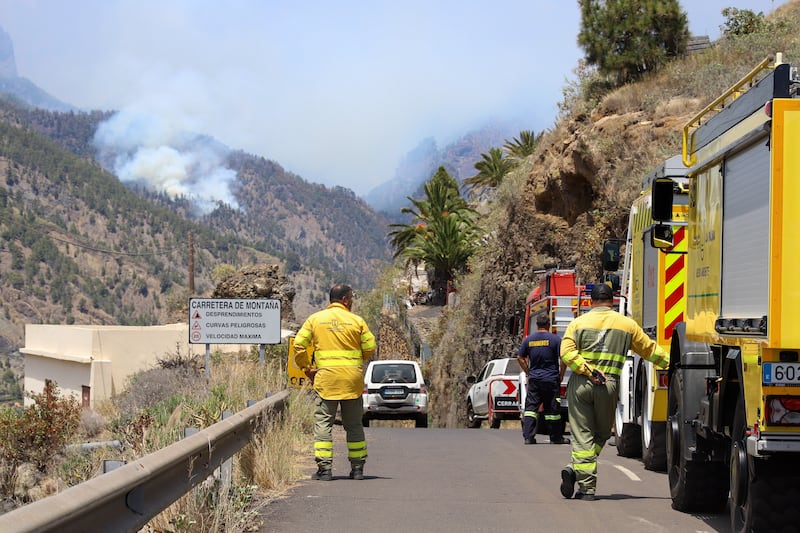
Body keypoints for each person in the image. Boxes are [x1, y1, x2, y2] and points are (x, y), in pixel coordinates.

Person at [559, 283, 669, 501]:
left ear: (591, 301)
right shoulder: (627, 325)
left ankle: (585, 484)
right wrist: (672, 362)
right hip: (608, 386)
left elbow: (566, 354)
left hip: (581, 384)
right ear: (613, 300)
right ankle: (579, 474)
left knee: (582, 436)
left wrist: (588, 371)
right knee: (601, 434)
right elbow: (649, 349)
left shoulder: (578, 323)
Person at [293, 284, 376, 481]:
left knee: (323, 425)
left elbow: (299, 344)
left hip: (326, 380)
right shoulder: (357, 321)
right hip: (351, 381)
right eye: (352, 298)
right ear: (346, 300)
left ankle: (325, 469)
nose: (353, 301)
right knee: (354, 425)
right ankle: (357, 469)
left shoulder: (315, 319)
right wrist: (359, 358)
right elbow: (370, 346)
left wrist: (307, 369)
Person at [517, 313, 568, 445]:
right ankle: (555, 438)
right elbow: (564, 358)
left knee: (530, 409)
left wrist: (528, 372)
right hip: (551, 379)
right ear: (548, 325)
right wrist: (561, 374)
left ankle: (528, 437)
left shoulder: (529, 340)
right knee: (552, 410)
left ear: (536, 324)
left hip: (535, 379)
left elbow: (520, 358)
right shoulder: (556, 340)